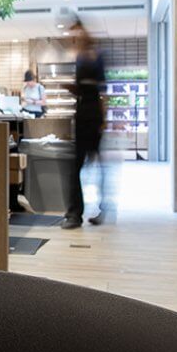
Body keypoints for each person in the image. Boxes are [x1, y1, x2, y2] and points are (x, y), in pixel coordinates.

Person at [62, 21, 113, 230]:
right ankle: (77, 213)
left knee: (88, 166)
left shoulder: (94, 57)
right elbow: (87, 89)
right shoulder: (81, 58)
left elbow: (101, 91)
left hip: (91, 117)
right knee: (80, 167)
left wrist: (104, 119)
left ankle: (83, 212)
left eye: (75, 35)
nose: (73, 39)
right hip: (83, 115)